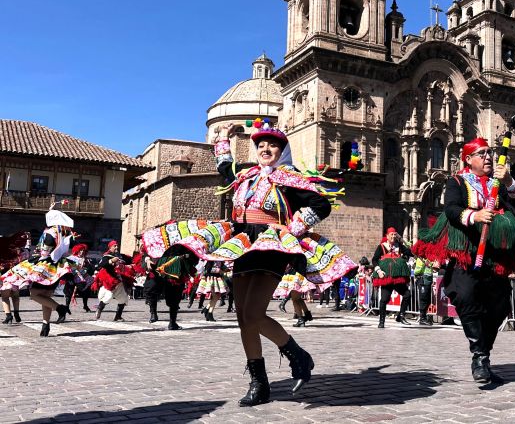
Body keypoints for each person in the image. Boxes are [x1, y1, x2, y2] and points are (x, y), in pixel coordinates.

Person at [142, 119, 356, 406]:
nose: (266, 148)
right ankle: (259, 382)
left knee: (254, 313)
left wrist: (292, 228)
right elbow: (224, 169)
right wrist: (223, 139)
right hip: (243, 243)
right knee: (243, 316)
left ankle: (297, 354)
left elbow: (321, 204)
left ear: (282, 150)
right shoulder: (247, 174)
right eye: (261, 144)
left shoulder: (289, 176)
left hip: (271, 245)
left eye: (273, 145)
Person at [413, 137, 515, 383]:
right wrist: (475, 215)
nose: (488, 157)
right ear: (469, 160)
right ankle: (479, 356)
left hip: (496, 252)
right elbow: (450, 208)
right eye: (482, 153)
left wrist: (509, 181)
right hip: (468, 250)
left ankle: (483, 355)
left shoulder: (499, 182)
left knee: (500, 306)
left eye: (490, 152)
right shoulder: (457, 181)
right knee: (466, 295)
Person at [0, 208, 78, 336]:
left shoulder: (51, 232)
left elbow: (45, 251)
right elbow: (68, 251)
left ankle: (60, 308)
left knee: (34, 294)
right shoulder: (66, 232)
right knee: (46, 296)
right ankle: (45, 325)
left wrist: (41, 253)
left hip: (46, 266)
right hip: (58, 266)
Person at [372, 227, 412, 327]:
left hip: (398, 278)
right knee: (384, 300)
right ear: (387, 235)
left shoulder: (399, 246)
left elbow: (410, 252)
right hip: (387, 278)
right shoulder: (381, 247)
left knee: (407, 294)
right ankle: (381, 322)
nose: (393, 236)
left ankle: (401, 315)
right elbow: (374, 260)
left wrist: (405, 244)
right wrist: (379, 270)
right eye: (391, 234)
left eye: (395, 234)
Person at [92, 241, 134, 321]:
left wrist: (129, 266)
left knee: (123, 298)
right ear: (110, 247)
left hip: (119, 281)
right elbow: (101, 265)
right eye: (114, 246)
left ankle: (118, 316)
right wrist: (111, 261)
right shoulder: (106, 256)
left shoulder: (120, 256)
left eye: (117, 246)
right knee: (108, 296)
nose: (116, 247)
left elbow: (126, 264)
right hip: (110, 281)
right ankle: (99, 309)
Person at [413, 255, 436, 325]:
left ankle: (424, 316)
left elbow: (432, 269)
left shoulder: (430, 258)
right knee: (423, 299)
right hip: (422, 280)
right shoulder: (420, 258)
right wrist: (424, 263)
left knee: (428, 300)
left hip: (428, 281)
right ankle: (422, 318)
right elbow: (417, 271)